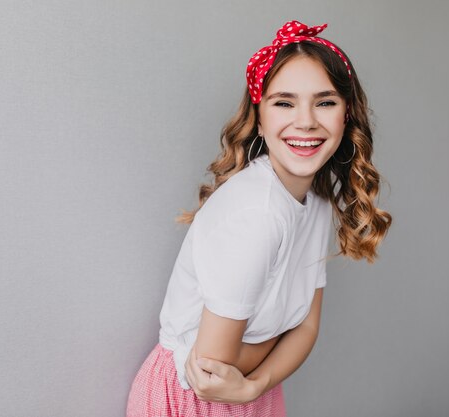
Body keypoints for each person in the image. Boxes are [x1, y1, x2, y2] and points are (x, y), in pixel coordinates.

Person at [126, 19, 392, 417]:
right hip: (193, 399)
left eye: (325, 102)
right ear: (260, 117)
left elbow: (305, 329)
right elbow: (214, 372)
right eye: (284, 102)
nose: (305, 121)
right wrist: (267, 359)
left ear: (347, 114)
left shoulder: (315, 203)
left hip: (253, 390)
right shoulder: (258, 213)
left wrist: (256, 385)